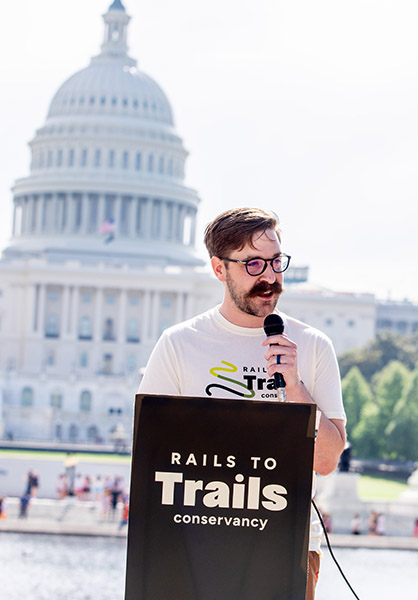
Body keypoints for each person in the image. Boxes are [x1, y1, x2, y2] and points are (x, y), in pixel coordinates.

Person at [138, 207, 347, 600]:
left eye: (275, 262)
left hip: (287, 547)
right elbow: (150, 454)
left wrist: (294, 387)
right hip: (197, 545)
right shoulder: (179, 343)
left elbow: (327, 460)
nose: (269, 276)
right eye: (253, 264)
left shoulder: (314, 346)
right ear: (220, 270)